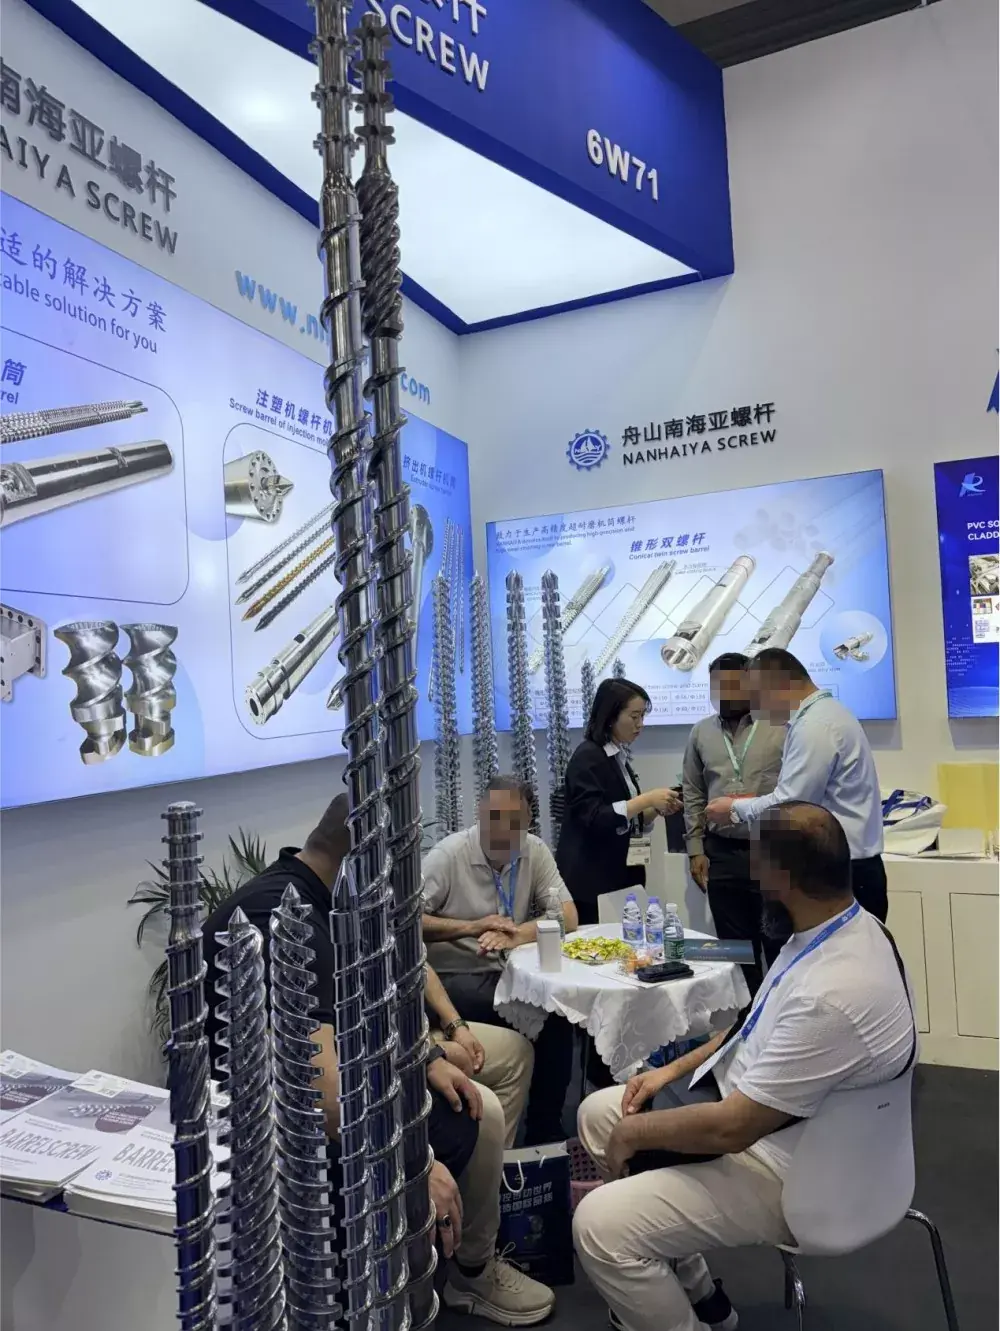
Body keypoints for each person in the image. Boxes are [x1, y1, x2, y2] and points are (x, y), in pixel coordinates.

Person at [202, 794, 555, 1326]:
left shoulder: (330, 894)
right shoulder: (285, 918)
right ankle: (468, 1267)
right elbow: (321, 1093)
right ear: (363, 861)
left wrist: (435, 1046)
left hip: (361, 1062)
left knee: (489, 1073)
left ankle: (465, 1240)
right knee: (475, 1114)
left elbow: (396, 972)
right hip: (280, 1128)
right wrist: (416, 1165)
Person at [572, 802, 915, 1331]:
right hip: (776, 1123)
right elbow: (750, 1025)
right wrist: (667, 1074)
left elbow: (733, 1128)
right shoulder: (836, 930)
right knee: (601, 1113)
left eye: (758, 866)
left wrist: (636, 1132)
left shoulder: (833, 993)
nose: (752, 880)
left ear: (786, 877)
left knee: (598, 1226)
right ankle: (699, 1292)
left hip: (795, 1171)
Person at [422, 775, 579, 1145]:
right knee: (545, 1016)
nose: (502, 831)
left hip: (509, 971)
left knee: (559, 1013)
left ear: (528, 822)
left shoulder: (534, 851)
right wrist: (470, 927)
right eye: (494, 818)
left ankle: (544, 1129)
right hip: (455, 976)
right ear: (480, 812)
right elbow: (404, 922)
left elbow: (569, 915)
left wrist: (517, 933)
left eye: (514, 822)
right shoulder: (448, 856)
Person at [704, 648, 888, 921]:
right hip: (844, 865)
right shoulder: (825, 715)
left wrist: (733, 809)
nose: (754, 708)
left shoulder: (815, 726)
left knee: (839, 948)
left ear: (779, 685)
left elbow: (791, 803)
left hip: (843, 871)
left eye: (756, 696)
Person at [682, 652, 786, 992]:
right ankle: (746, 1014)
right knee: (737, 951)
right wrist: (695, 848)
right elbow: (693, 792)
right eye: (717, 686)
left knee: (779, 943)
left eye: (731, 685)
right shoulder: (701, 733)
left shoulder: (780, 727)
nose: (723, 694)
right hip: (722, 854)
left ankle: (781, 1014)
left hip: (772, 851)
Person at [557, 678, 681, 926]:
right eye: (634, 716)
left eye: (642, 716)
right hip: (591, 882)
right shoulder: (588, 756)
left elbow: (624, 817)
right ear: (610, 716)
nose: (640, 724)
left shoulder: (616, 755)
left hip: (619, 878)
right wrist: (646, 799)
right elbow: (593, 817)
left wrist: (655, 809)